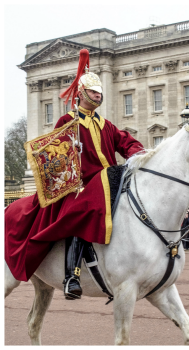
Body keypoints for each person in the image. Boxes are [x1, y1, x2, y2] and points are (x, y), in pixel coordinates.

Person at [4, 49, 144, 300]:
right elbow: (54, 159)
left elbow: (127, 142)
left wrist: (137, 155)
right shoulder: (66, 121)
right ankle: (72, 276)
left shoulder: (106, 124)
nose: (98, 95)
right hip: (78, 186)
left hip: (107, 180)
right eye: (93, 92)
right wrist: (71, 157)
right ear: (81, 93)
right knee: (82, 211)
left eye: (100, 92)